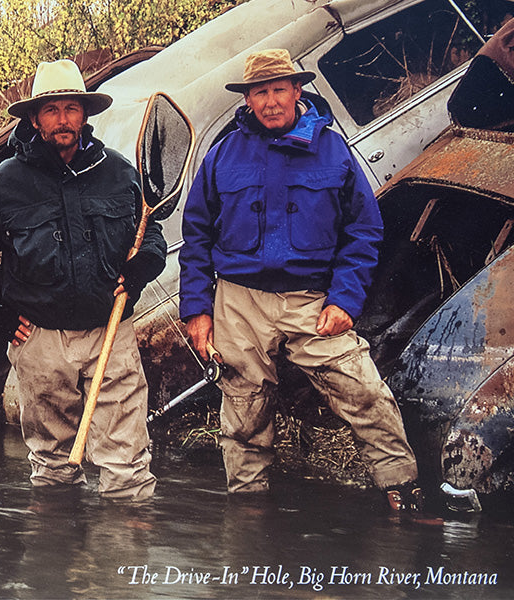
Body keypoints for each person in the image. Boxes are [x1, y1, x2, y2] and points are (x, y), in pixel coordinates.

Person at [178, 49, 424, 511]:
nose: (270, 102)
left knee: (363, 388)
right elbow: (195, 238)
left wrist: (345, 301)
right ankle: (248, 510)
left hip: (313, 297)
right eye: (259, 92)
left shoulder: (334, 150)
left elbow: (364, 230)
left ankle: (402, 490)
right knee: (245, 407)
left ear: (297, 91)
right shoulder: (220, 156)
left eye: (278, 90)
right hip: (239, 299)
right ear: (247, 99)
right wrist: (196, 309)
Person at [0, 59, 166, 501]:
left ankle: (122, 564)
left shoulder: (120, 173)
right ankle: (57, 565)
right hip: (39, 343)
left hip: (112, 334)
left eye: (72, 108)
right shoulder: (2, 184)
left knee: (128, 471)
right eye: (52, 110)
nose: (63, 119)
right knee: (51, 470)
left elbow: (151, 231)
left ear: (85, 115)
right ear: (34, 117)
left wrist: (144, 265)